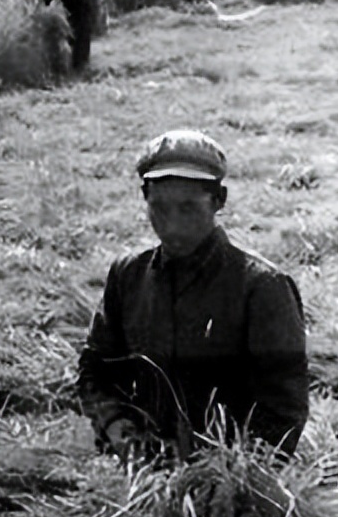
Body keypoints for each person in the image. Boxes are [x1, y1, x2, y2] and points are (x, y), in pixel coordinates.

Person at [77, 129, 309, 466]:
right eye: (159, 208)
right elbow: (95, 370)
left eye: (188, 209)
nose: (172, 227)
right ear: (145, 198)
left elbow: (283, 410)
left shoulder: (262, 288)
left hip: (234, 483)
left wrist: (228, 480)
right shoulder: (128, 276)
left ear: (219, 200)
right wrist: (115, 426)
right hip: (142, 475)